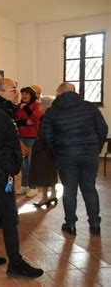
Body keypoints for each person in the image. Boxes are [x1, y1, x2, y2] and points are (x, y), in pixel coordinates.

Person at [0, 79, 43, 278]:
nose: (16, 92)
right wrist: (10, 166)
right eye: (13, 89)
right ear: (1, 92)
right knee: (10, 218)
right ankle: (15, 263)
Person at [42, 82, 108, 236]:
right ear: (74, 92)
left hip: (66, 155)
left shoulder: (52, 111)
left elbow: (46, 136)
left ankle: (70, 224)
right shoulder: (89, 107)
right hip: (89, 154)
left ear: (59, 94)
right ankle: (94, 224)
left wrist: (56, 152)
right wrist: (95, 147)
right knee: (89, 188)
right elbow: (103, 129)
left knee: (69, 190)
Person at [29, 95, 59, 208]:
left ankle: (45, 197)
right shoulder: (54, 116)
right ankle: (53, 194)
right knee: (50, 172)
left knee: (44, 174)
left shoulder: (46, 117)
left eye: (41, 104)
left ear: (46, 106)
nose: (39, 106)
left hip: (44, 148)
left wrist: (38, 145)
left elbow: (44, 135)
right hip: (51, 148)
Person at [15, 87, 42, 197]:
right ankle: (24, 186)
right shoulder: (18, 106)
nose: (24, 96)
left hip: (32, 137)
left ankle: (33, 187)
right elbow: (15, 119)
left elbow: (35, 118)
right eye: (23, 94)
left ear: (31, 95)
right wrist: (26, 122)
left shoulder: (36, 105)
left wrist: (26, 109)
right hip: (21, 136)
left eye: (26, 94)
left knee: (31, 163)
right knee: (23, 163)